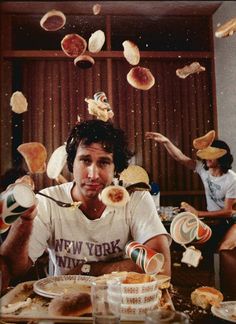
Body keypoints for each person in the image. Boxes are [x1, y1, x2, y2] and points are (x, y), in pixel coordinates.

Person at [1, 120, 171, 280]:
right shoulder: (48, 201)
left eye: (103, 162)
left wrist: (88, 269)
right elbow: (13, 268)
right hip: (61, 305)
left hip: (119, 304)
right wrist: (25, 221)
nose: (93, 174)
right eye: (85, 160)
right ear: (72, 163)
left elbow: (161, 268)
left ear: (116, 169)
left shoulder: (135, 197)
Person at [145, 131, 236, 251]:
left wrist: (198, 213)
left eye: (211, 154)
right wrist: (166, 141)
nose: (207, 157)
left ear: (222, 157)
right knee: (194, 248)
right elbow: (180, 157)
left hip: (232, 221)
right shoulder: (204, 170)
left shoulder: (232, 179)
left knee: (223, 248)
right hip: (214, 221)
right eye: (205, 154)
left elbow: (228, 211)